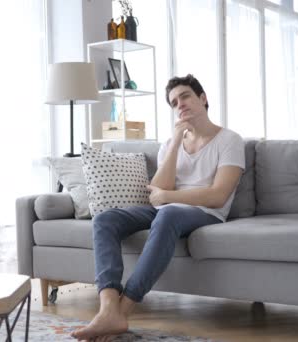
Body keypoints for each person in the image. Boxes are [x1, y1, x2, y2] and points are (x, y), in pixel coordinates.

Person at [71, 74, 245, 342]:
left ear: (203, 98)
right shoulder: (169, 144)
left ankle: (124, 309)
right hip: (167, 210)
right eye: (174, 102)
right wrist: (176, 142)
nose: (180, 104)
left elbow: (218, 196)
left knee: (169, 213)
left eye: (185, 96)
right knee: (106, 219)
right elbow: (156, 195)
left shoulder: (229, 140)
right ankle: (107, 307)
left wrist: (168, 196)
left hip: (206, 213)